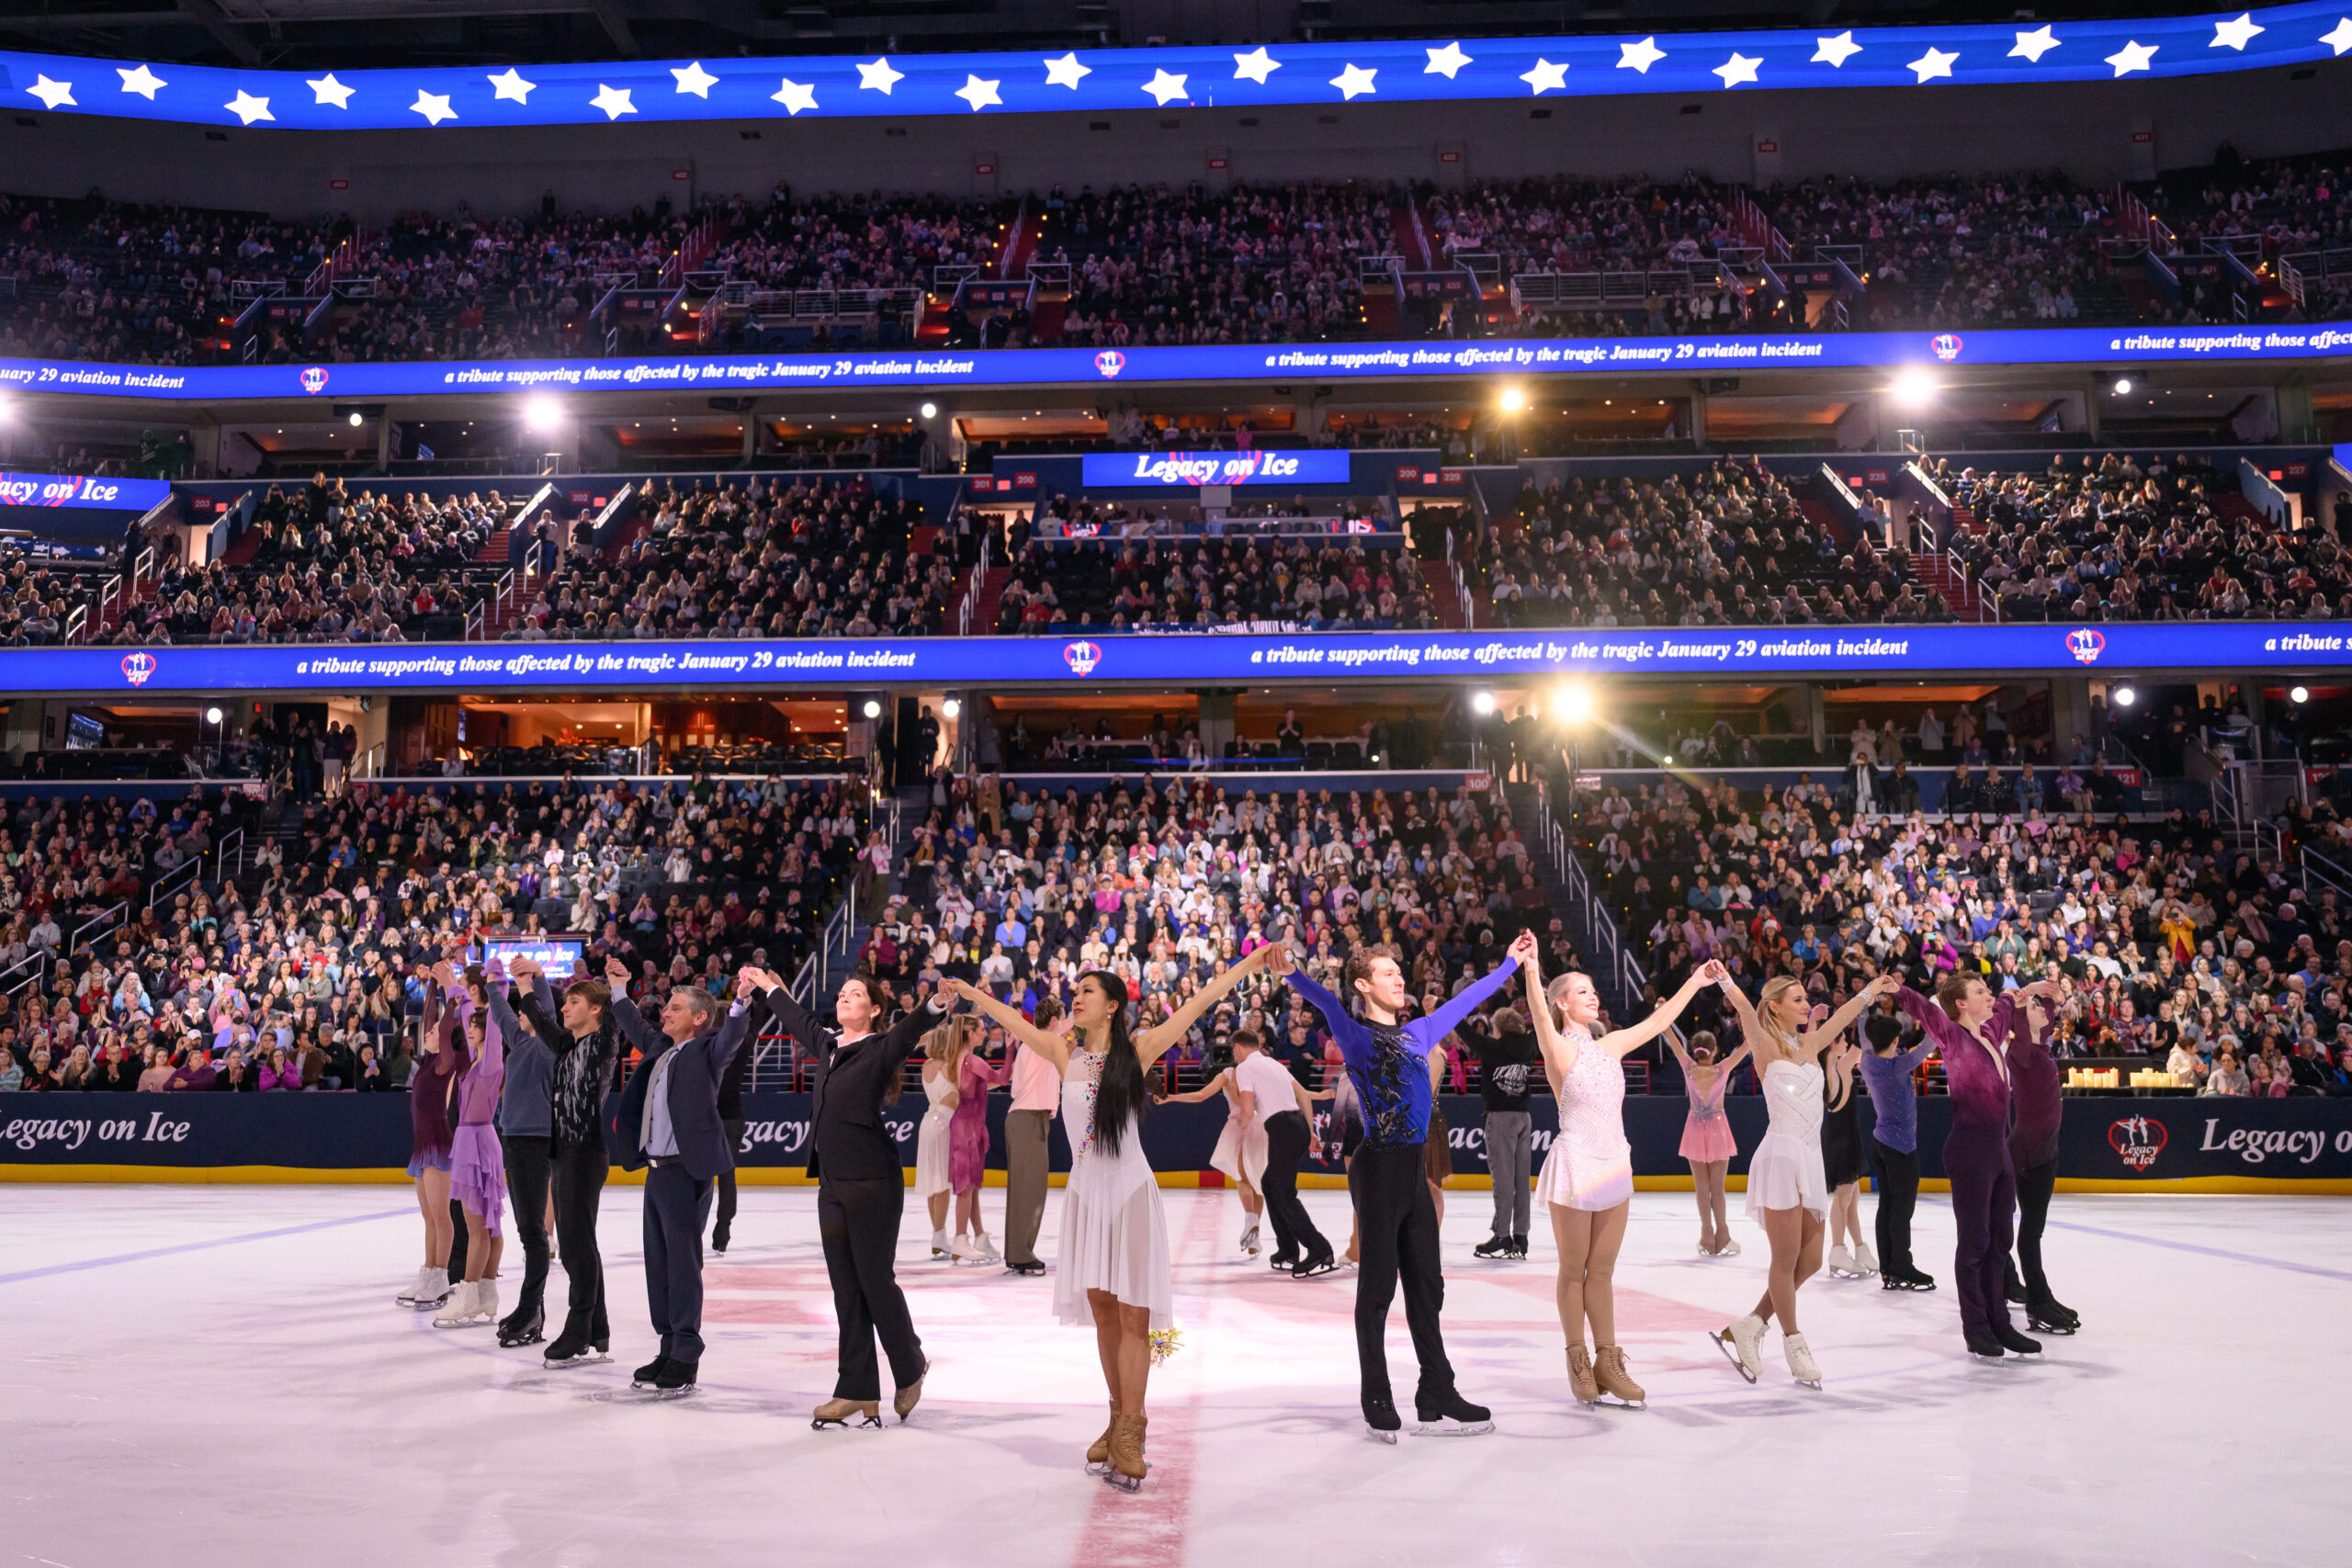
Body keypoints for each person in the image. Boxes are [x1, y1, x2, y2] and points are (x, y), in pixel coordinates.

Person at [949, 944, 1275, 1491]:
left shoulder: (1140, 1049)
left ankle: (1133, 1429)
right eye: (1075, 992)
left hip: (1128, 1191)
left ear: (1113, 1007)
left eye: (1087, 993)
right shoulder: (1060, 1052)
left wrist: (1251, 965)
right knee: (1102, 1312)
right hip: (1085, 1195)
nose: (1075, 998)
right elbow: (1009, 1019)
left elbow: (1201, 1000)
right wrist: (969, 993)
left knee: (1132, 1316)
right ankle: (1116, 1414)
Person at [1271, 937, 1521, 1443]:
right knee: (1378, 1287)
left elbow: (1468, 1000)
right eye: (1388, 973)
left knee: (1428, 1286)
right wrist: (1292, 975)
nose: (1399, 978)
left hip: (1413, 1171)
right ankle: (1377, 1394)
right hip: (1377, 1167)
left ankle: (1436, 1389)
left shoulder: (1419, 1032)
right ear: (1365, 985)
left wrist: (1512, 962)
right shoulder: (1356, 1033)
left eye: (1398, 971)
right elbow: (1325, 1000)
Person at [1522, 937, 1724, 1409]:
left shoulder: (1610, 1044)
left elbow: (1659, 1022)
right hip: (1575, 1164)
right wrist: (1532, 968)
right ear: (1562, 1003)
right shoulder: (1559, 1049)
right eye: (1582, 991)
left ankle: (1607, 1361)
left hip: (1614, 1164)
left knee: (1604, 1272)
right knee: (1575, 1271)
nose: (1593, 996)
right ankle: (1577, 1357)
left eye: (1594, 990)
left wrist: (1694, 981)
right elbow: (1535, 1014)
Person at [750, 969, 951, 1427]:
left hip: (873, 1181)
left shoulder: (880, 1048)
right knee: (846, 1290)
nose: (844, 999)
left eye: (855, 995)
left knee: (874, 1281)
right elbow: (800, 1021)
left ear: (874, 1009)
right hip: (833, 1184)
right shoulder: (829, 1046)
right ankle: (857, 1389)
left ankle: (909, 1364)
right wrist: (771, 988)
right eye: (841, 994)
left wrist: (934, 1007)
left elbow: (908, 1032)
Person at [1708, 972, 1898, 1387]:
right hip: (1781, 1157)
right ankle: (1794, 1344)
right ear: (1775, 1006)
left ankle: (1752, 1324)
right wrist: (1722, 979)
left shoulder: (1810, 1043)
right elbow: (1743, 1006)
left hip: (1810, 1158)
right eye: (1796, 999)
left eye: (1803, 999)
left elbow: (1844, 1015)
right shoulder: (1763, 1043)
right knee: (1784, 1259)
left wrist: (1871, 990)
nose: (1804, 1005)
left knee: (1810, 1260)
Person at [1894, 973, 2063, 1360]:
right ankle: (1976, 1327)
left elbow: (2007, 1000)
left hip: (1998, 1151)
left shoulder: (1992, 1028)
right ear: (1960, 1005)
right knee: (1975, 1244)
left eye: (1987, 990)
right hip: (1969, 1150)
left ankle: (2001, 1324)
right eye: (1979, 992)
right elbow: (1924, 1008)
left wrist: (2032, 991)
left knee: (2001, 1242)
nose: (1988, 997)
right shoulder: (1952, 1037)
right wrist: (1898, 990)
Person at [607, 965, 756, 1396]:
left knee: (683, 1264)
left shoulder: (708, 1050)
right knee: (659, 1263)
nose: (665, 1014)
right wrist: (618, 985)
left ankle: (686, 1353)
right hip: (655, 1171)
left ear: (699, 1018)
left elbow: (732, 1036)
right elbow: (633, 1022)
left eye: (675, 1009)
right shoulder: (659, 1048)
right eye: (666, 1008)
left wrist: (742, 1002)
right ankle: (668, 1344)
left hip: (685, 1172)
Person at [432, 963, 508, 1329]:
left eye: (475, 1027)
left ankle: (469, 1292)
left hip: (477, 1141)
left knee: (478, 1227)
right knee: (488, 1226)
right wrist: (451, 988)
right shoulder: (477, 1063)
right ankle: (487, 1290)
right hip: (475, 1140)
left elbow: (488, 1023)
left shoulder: (490, 1064)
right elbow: (466, 1014)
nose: (470, 1028)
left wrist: (498, 986)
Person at [2005, 993, 2080, 1335]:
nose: (2041, 1012)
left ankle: (2036, 1295)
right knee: (2030, 1232)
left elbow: (2046, 1014)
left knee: (2035, 1230)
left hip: (2047, 1152)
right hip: (2030, 1153)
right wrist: (2022, 1002)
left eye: (2040, 1008)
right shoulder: (2020, 1054)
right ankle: (2038, 1300)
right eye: (2033, 1008)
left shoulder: (2043, 1045)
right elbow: (2023, 1022)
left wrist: (2050, 993)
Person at [394, 975, 466, 1314]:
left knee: (441, 1214)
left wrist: (451, 1000)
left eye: (435, 1031)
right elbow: (430, 1019)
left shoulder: (445, 1064)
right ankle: (428, 1272)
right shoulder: (427, 1061)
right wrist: (433, 989)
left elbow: (448, 1024)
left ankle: (440, 1277)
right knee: (428, 1215)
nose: (428, 1033)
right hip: (421, 1146)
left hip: (440, 1144)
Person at [1856, 992, 1938, 1292]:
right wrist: (1935, 1008)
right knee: (1901, 1210)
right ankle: (1901, 1265)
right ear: (1893, 1041)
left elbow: (1864, 1029)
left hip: (1881, 1142)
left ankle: (1889, 1267)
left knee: (1887, 1206)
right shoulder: (1896, 1067)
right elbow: (1930, 1043)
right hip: (1901, 1149)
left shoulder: (1867, 1059)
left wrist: (1866, 999)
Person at [1159, 1040, 1271, 1256]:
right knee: (1256, 1180)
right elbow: (1288, 1092)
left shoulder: (1228, 1074)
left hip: (1239, 1125)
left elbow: (1201, 1095)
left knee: (1243, 1177)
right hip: (1259, 1126)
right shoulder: (1261, 1073)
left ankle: (1250, 1221)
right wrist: (1315, 1096)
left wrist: (1172, 1097)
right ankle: (1254, 1231)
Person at [1665, 1028, 1752, 1258]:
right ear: (1714, 1050)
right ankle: (1722, 1234)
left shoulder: (1687, 1066)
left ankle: (1707, 1234)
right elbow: (1747, 1046)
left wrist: (1665, 1017)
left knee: (1702, 1186)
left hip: (1694, 1128)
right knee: (1717, 1188)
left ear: (1695, 1051)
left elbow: (1672, 1039)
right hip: (1717, 1127)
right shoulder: (1722, 1068)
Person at [1471, 1004, 1543, 1261]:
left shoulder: (1493, 1047)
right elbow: (1541, 1026)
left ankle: (1502, 1235)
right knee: (1521, 1180)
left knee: (1503, 1180)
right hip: (1524, 1117)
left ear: (1498, 1027)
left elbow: (1465, 1033)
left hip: (1500, 1117)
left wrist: (1445, 1010)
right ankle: (1521, 1235)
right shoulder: (1529, 1046)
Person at [1001, 997, 1061, 1279]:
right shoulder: (1042, 1041)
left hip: (1026, 1116)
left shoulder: (1032, 1044)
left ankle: (1017, 1253)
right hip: (1028, 1117)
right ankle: (1021, 1255)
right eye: (1061, 1018)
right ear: (1053, 1022)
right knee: (1029, 1193)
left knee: (1026, 1192)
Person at [949, 1029, 1013, 1263]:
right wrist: (1009, 1048)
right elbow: (1003, 1078)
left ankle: (979, 1236)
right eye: (981, 1029)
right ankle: (959, 1238)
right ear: (971, 1033)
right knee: (967, 1187)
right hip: (968, 1127)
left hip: (966, 1124)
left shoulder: (958, 1058)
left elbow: (979, 1087)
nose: (985, 1032)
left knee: (972, 1186)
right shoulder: (972, 1060)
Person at [1821, 1023, 1873, 1280]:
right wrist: (1865, 1002)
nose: (1845, 1045)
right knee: (1843, 1201)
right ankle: (1837, 1250)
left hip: (1838, 1137)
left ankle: (1860, 1249)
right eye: (1841, 1040)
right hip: (1844, 1139)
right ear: (1834, 1043)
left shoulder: (1826, 1069)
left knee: (1851, 1199)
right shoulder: (1839, 1067)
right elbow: (1862, 1045)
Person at [915, 1019, 964, 1259]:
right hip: (942, 1124)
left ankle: (938, 1235)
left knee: (933, 1184)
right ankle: (939, 1235)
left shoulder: (927, 1065)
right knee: (942, 1183)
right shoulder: (950, 1067)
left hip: (928, 1123)